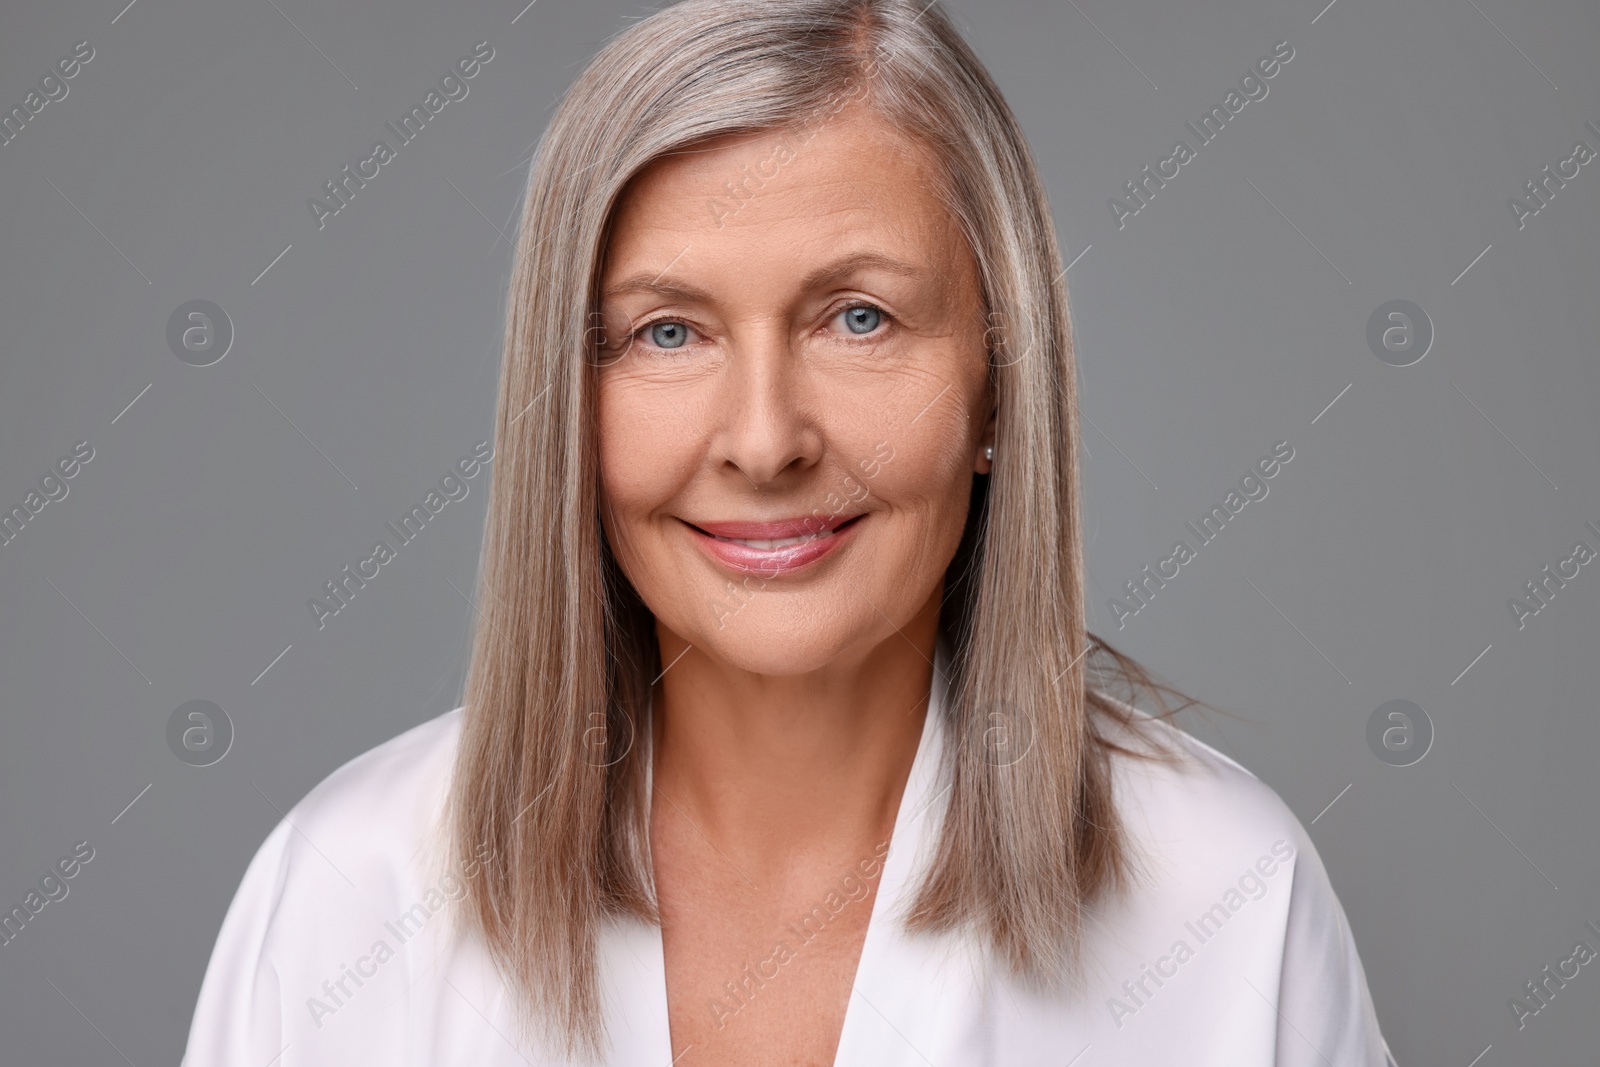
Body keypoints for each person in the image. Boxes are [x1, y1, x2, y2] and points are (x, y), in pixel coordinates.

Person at [184, 1, 1391, 1063]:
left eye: (857, 317)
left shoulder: (1225, 902)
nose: (763, 442)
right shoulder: (346, 900)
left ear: (998, 389)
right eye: (666, 331)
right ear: (565, 402)